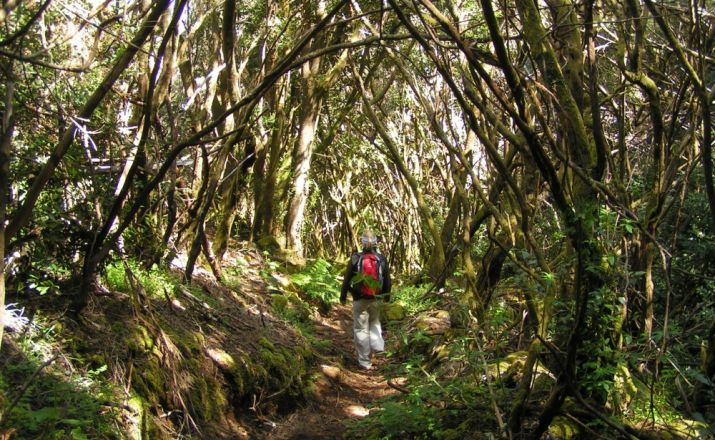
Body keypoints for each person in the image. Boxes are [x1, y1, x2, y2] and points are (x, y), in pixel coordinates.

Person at [340, 230, 391, 370]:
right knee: (374, 322)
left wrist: (343, 296)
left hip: (359, 299)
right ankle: (377, 346)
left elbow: (347, 279)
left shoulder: (355, 258)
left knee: (361, 329)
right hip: (376, 298)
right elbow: (387, 279)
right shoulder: (381, 258)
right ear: (376, 242)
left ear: (362, 242)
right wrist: (386, 296)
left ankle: (364, 362)